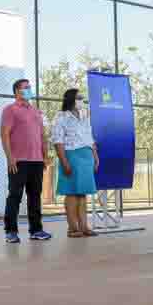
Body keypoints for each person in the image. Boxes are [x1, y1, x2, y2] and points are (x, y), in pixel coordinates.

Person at [1, 78, 52, 243]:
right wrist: (10, 158)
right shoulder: (10, 110)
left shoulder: (37, 111)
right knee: (15, 195)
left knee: (35, 195)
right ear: (17, 91)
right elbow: (5, 134)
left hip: (36, 161)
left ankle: (36, 230)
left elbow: (42, 136)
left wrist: (45, 156)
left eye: (30, 87)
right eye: (26, 87)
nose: (29, 89)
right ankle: (11, 231)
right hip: (18, 161)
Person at [52, 88, 99, 237]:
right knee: (71, 193)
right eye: (79, 97)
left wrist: (95, 156)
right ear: (71, 99)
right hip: (71, 155)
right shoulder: (61, 117)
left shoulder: (85, 115)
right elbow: (57, 141)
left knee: (82, 194)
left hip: (87, 156)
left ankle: (84, 226)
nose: (82, 100)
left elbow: (89, 137)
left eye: (82, 97)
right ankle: (72, 228)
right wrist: (64, 162)